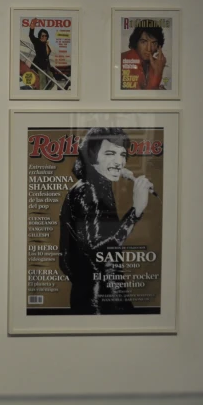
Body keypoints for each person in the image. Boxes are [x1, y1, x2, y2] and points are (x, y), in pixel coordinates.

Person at [59, 127, 154, 314]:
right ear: (92, 155)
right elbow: (100, 250)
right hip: (101, 300)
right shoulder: (88, 190)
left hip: (98, 295)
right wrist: (136, 211)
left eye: (122, 154)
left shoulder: (97, 186)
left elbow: (68, 261)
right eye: (110, 153)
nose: (119, 162)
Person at [121, 23, 167, 90]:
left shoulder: (157, 62)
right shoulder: (124, 60)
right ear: (136, 42)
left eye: (154, 43)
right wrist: (158, 73)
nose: (149, 49)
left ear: (158, 46)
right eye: (144, 42)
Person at [28, 19, 53, 90]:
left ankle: (45, 93)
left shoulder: (46, 45)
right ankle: (42, 94)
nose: (44, 37)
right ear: (39, 36)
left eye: (45, 36)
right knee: (43, 82)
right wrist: (32, 27)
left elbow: (46, 56)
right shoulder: (37, 42)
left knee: (52, 82)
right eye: (42, 36)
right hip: (39, 66)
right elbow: (31, 35)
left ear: (47, 36)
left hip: (47, 67)